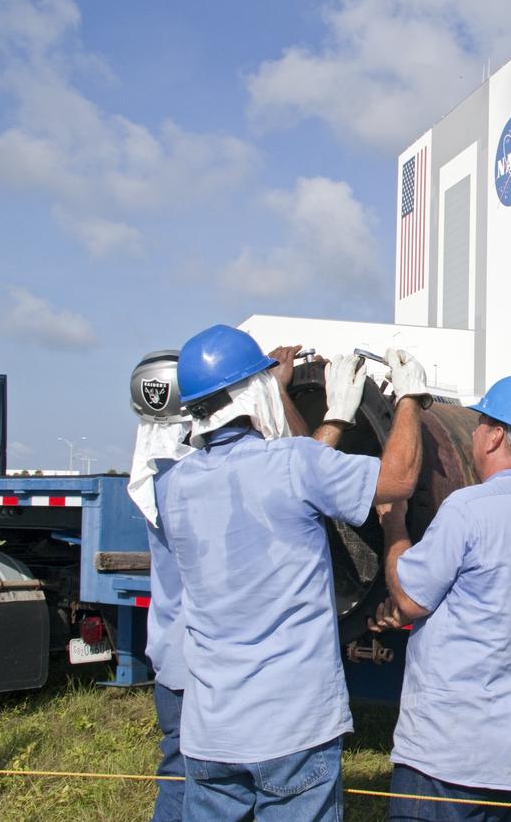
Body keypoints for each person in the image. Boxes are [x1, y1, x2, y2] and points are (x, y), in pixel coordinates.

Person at [153, 324, 431, 821]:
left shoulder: (173, 486)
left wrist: (327, 419)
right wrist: (409, 399)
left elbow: (281, 483)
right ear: (255, 391)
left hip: (210, 730)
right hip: (293, 726)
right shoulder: (294, 466)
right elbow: (397, 481)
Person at [126, 343, 316, 822]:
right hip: (215, 672)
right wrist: (269, 392)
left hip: (175, 664)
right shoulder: (200, 476)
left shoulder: (161, 479)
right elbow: (298, 466)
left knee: (185, 782)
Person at [370, 372, 511, 822]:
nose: (474, 432)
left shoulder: (467, 508)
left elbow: (408, 600)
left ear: (496, 435)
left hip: (445, 752)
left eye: (480, 424)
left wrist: (394, 522)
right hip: (507, 757)